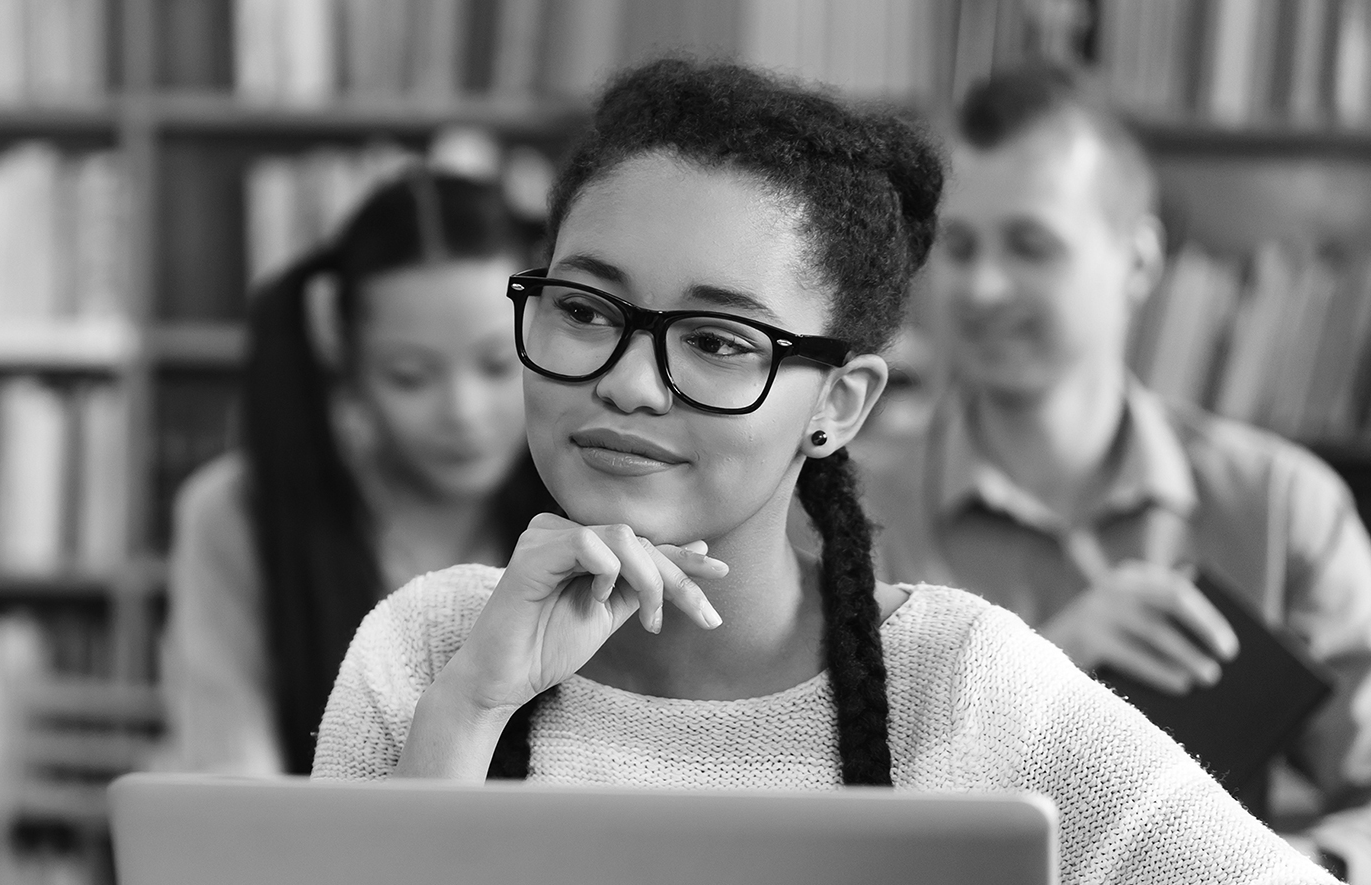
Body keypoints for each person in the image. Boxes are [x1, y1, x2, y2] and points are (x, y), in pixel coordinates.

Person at [311, 57, 1334, 883]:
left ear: (837, 407)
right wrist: (468, 713)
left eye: (716, 341)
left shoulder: (961, 684)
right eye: (584, 311)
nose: (627, 383)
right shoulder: (425, 650)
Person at [859, 62, 1371, 877]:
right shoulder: (843, 512)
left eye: (1030, 245)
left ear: (1138, 262)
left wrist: (1238, 867)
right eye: (958, 246)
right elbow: (826, 816)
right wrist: (1039, 684)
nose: (983, 286)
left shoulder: (1286, 507)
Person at [158, 169, 560, 776]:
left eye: (498, 365)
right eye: (409, 376)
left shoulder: (583, 497)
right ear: (346, 363)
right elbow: (234, 778)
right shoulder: (239, 512)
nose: (464, 413)